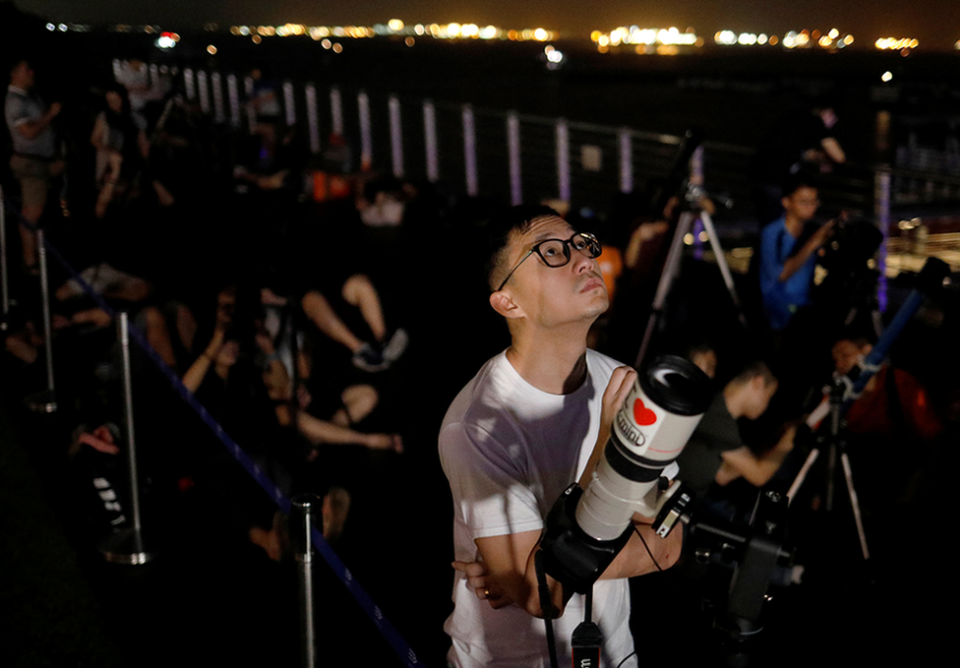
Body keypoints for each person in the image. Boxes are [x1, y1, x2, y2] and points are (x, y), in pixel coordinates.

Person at [438, 205, 681, 668]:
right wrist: (607, 448)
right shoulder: (477, 425)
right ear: (509, 302)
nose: (585, 258)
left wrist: (542, 567)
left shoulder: (622, 383)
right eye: (551, 252)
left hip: (613, 656)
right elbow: (544, 596)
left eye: (581, 244)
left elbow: (670, 543)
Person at [675, 360, 794, 511]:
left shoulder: (721, 414)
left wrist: (775, 442)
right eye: (768, 395)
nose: (766, 404)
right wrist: (788, 441)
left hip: (688, 498)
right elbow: (759, 475)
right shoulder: (717, 416)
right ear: (758, 383)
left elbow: (723, 475)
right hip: (678, 499)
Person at [4, 59, 63, 272]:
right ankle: (30, 262)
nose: (31, 72)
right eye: (25, 69)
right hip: (31, 164)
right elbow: (28, 132)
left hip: (42, 161)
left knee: (37, 210)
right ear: (14, 73)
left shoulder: (31, 96)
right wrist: (50, 115)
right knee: (32, 212)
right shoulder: (15, 101)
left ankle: (35, 258)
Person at [758, 177, 835, 333]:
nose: (811, 207)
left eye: (814, 202)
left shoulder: (811, 230)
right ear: (786, 202)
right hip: (778, 314)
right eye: (804, 202)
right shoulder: (772, 233)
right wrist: (813, 243)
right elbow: (779, 274)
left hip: (806, 308)